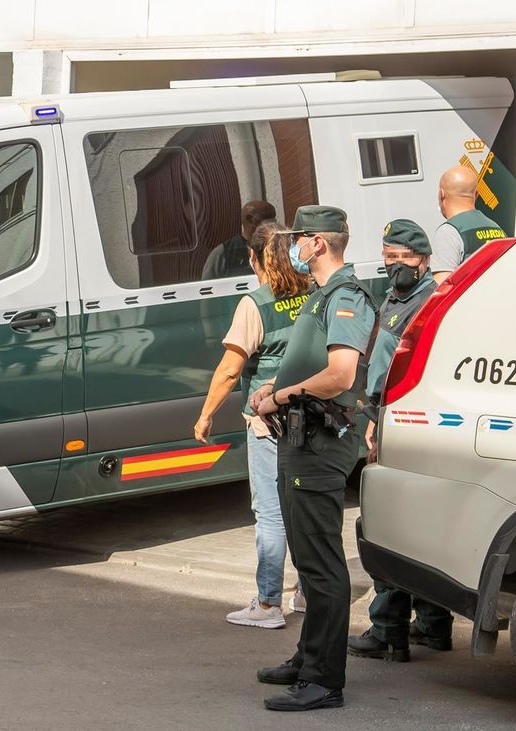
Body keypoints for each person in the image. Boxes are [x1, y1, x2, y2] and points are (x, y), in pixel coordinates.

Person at [251, 205, 374, 712]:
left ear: (318, 243)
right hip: (301, 439)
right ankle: (307, 658)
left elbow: (342, 374)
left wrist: (281, 396)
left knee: (321, 565)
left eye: (299, 239)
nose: (293, 248)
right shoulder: (321, 294)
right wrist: (274, 390)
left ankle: (324, 681)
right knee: (307, 554)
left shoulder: (346, 295)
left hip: (321, 443)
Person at [194, 222, 310, 629]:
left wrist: (206, 413)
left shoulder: (255, 304)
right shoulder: (311, 292)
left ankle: (267, 604)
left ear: (255, 257)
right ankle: (307, 592)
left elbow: (230, 370)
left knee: (271, 513)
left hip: (269, 421)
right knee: (302, 508)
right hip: (310, 417)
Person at [346, 219, 451, 662]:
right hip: (396, 420)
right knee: (419, 526)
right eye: (388, 257)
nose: (394, 265)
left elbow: (400, 373)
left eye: (403, 258)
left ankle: (388, 629)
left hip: (398, 423)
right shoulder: (398, 296)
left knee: (388, 526)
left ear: (424, 261)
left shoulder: (426, 302)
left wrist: (375, 420)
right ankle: (432, 625)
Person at [431, 165, 507, 285]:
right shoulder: (497, 229)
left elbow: (442, 289)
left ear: (441, 194)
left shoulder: (448, 232)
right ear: (476, 194)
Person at [201, 200, 277, 280]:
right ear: (250, 219)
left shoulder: (278, 246)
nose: (273, 222)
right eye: (267, 217)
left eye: (273, 217)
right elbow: (207, 286)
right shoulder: (225, 252)